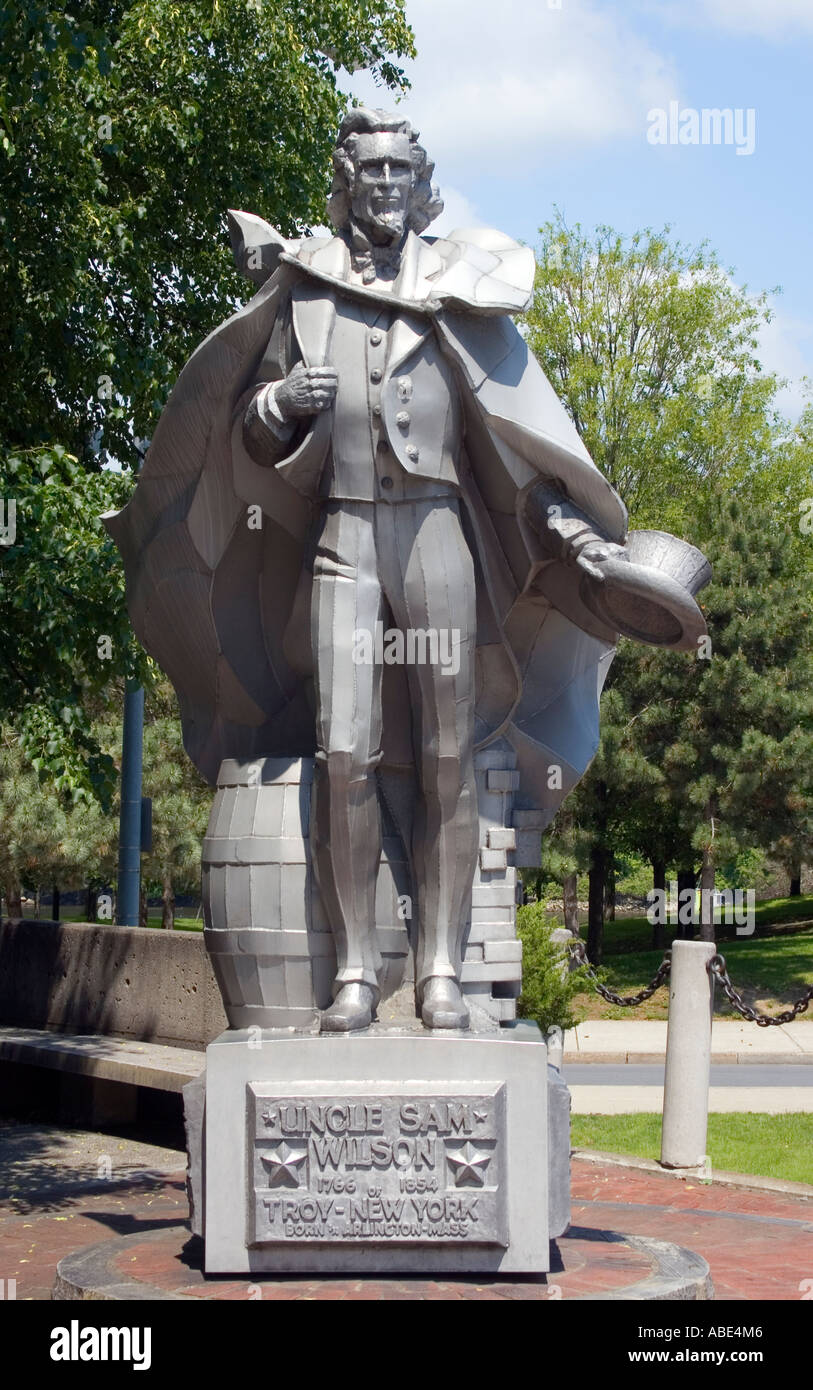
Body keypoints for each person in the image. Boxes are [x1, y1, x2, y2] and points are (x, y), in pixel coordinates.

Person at [105, 108, 708, 1035]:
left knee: (445, 755)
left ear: (420, 187)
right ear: (345, 185)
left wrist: (575, 538)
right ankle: (352, 971)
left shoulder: (464, 302)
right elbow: (246, 444)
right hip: (342, 540)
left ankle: (436, 971)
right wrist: (274, 403)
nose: (384, 187)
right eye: (369, 172)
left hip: (436, 536)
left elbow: (510, 454)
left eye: (400, 173)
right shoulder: (302, 295)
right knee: (342, 753)